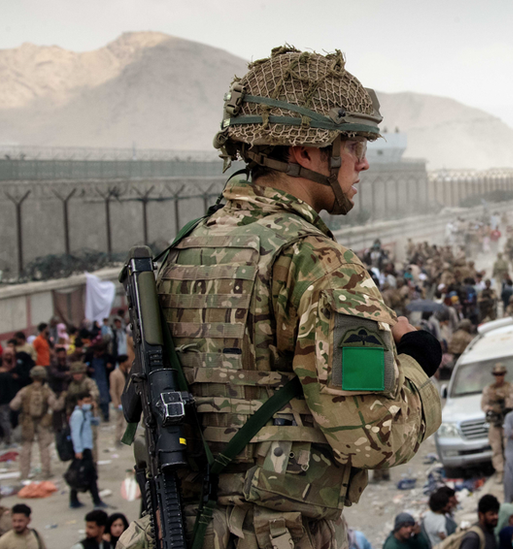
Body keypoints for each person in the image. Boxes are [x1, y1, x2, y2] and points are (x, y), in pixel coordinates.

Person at [117, 47, 443, 549]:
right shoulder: (317, 264)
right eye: (352, 145)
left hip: (180, 529)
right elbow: (375, 437)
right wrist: (419, 360)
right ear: (305, 152)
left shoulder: (186, 247)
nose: (364, 162)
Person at [9, 366, 59, 480]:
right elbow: (55, 406)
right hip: (43, 422)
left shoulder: (25, 390)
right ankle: (46, 471)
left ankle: (24, 474)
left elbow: (13, 405)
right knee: (44, 447)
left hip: (27, 422)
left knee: (26, 448)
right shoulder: (46, 391)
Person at [68, 392, 105, 509]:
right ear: (79, 402)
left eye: (89, 401)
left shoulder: (85, 413)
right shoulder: (78, 414)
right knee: (90, 475)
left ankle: (74, 500)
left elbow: (96, 422)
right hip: (82, 450)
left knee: (81, 474)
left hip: (87, 448)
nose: (88, 404)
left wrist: (94, 410)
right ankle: (96, 501)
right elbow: (75, 433)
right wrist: (78, 450)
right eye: (85, 402)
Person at [483, 364, 513, 478]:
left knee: (509, 446)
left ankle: (512, 469)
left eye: (501, 374)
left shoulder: (511, 387)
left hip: (507, 420)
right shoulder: (489, 389)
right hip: (495, 421)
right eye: (497, 374)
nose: (499, 377)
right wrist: (492, 408)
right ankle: (500, 471)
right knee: (496, 447)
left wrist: (503, 400)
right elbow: (484, 405)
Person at [64, 363, 100, 459]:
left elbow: (95, 393)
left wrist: (89, 399)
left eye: (79, 373)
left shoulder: (88, 382)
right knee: (77, 438)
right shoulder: (71, 385)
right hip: (76, 415)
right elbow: (69, 401)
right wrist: (68, 413)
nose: (77, 375)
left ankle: (93, 462)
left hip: (89, 414)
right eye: (75, 374)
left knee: (91, 439)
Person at [108, 351, 130, 447]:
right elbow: (113, 390)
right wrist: (115, 402)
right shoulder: (114, 374)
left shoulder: (129, 371)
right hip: (120, 401)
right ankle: (118, 438)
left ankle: (128, 437)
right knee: (119, 421)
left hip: (128, 400)